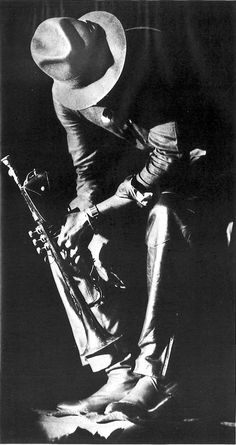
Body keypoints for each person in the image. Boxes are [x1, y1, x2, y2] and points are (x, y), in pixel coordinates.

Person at [30, 11, 232, 421]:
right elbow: (86, 171)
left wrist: (100, 213)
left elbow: (171, 160)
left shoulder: (156, 64)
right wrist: (83, 217)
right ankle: (117, 369)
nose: (98, 100)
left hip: (212, 181)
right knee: (62, 235)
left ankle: (152, 374)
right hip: (143, 186)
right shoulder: (65, 93)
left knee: (165, 213)